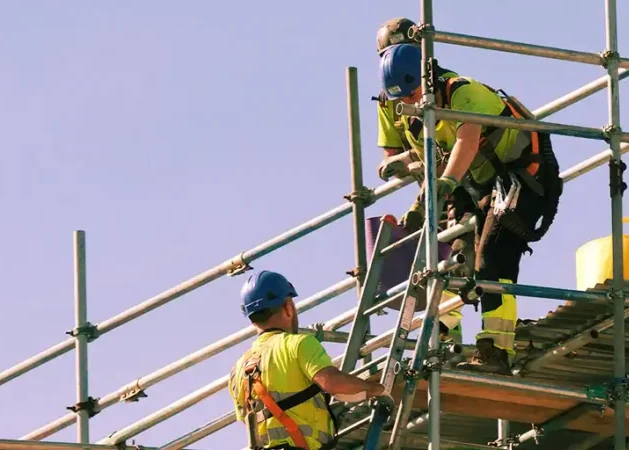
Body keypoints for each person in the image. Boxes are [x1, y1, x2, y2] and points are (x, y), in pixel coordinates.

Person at [377, 42, 563, 375]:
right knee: (456, 259)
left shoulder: (462, 92)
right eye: (401, 98)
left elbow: (467, 141)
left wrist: (445, 185)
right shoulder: (417, 120)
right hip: (483, 187)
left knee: (494, 257)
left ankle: (497, 350)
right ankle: (450, 340)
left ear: (428, 76)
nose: (407, 101)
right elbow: (433, 162)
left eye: (412, 92)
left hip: (524, 175)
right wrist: (421, 204)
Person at [373, 17, 472, 347]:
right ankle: (445, 333)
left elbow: (465, 140)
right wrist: (397, 165)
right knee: (430, 257)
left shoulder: (449, 86)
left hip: (465, 181)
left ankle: (470, 334)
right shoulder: (389, 99)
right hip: (430, 189)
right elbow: (393, 155)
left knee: (463, 253)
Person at [228, 270, 385, 450]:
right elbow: (332, 382)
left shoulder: (237, 370)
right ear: (288, 307)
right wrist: (377, 389)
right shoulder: (299, 344)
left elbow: (246, 419)